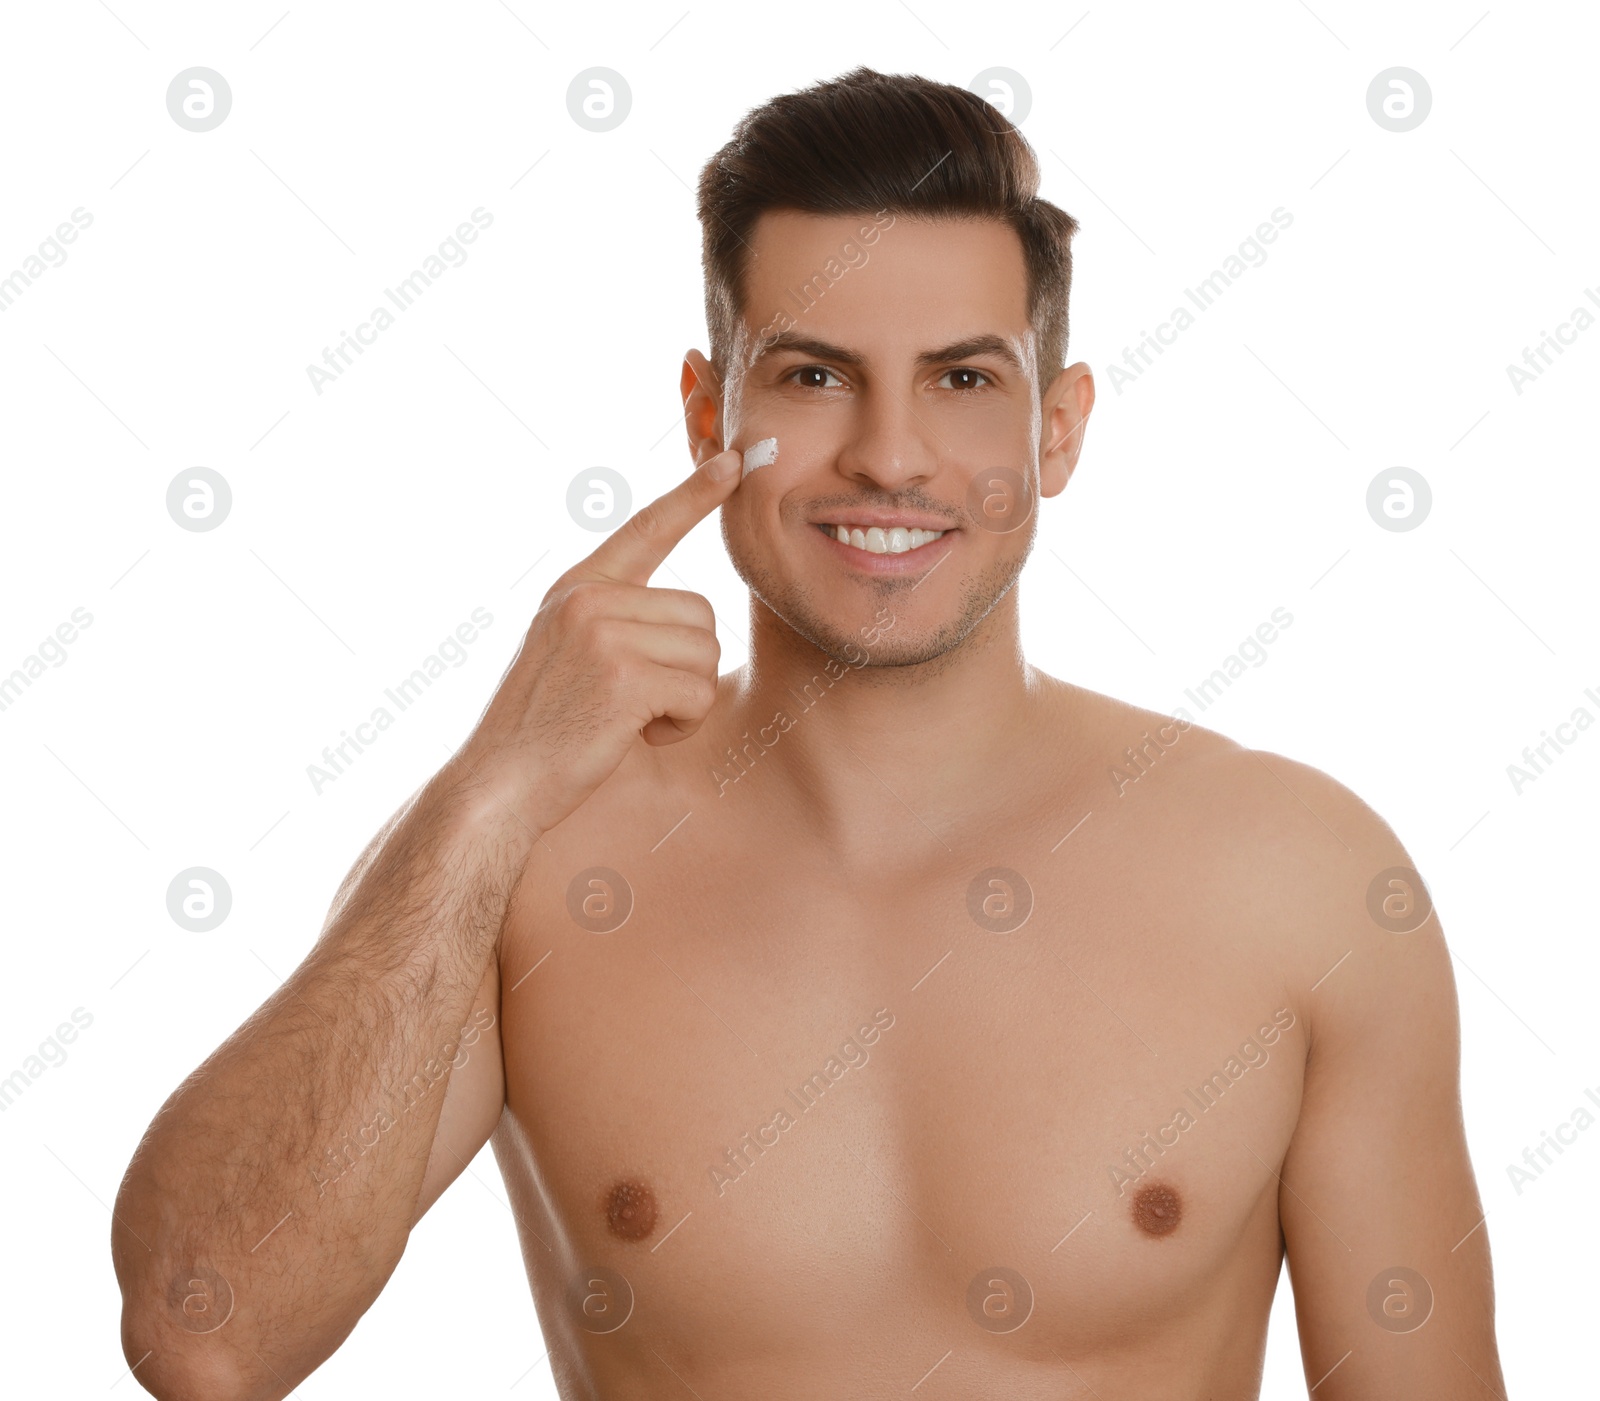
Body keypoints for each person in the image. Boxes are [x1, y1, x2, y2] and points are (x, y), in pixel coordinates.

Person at [112, 66, 1507, 1399]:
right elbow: (204, 1339)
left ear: (1059, 430)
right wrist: (490, 788)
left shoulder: (1301, 881)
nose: (891, 455)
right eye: (814, 377)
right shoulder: (529, 863)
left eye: (964, 380)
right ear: (709, 412)